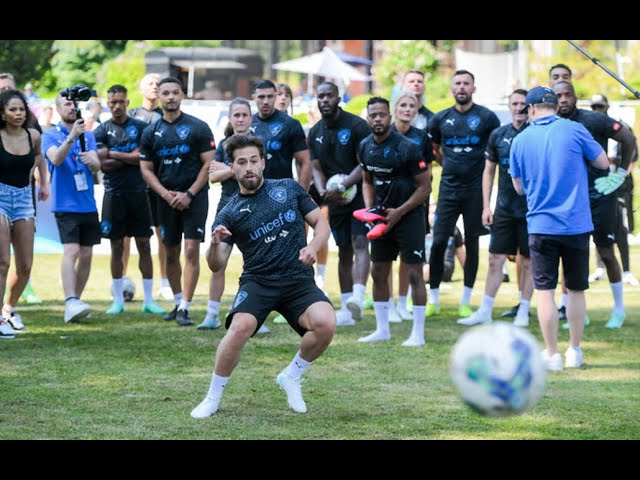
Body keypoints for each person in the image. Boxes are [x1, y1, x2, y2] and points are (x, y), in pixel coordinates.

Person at [190, 133, 335, 418]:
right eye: (241, 162)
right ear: (232, 167)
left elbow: (321, 224)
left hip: (297, 280)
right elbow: (216, 265)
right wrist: (215, 244)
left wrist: (313, 246)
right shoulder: (229, 212)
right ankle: (213, 396)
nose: (249, 167)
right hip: (259, 281)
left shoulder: (289, 188)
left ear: (263, 163)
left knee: (325, 323)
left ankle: (291, 376)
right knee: (240, 327)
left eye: (254, 161)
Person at [510, 86, 609, 371]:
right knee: (576, 290)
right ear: (556, 105)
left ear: (530, 109)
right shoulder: (575, 129)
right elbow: (602, 162)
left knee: (545, 291)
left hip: (541, 225)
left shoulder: (520, 139)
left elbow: (518, 188)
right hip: (576, 223)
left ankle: (552, 354)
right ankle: (574, 351)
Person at [553, 81, 634, 329]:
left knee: (606, 252)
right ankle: (578, 311)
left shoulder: (594, 120)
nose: (564, 99)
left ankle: (618, 310)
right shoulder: (550, 124)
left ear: (576, 97)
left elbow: (628, 138)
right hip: (569, 198)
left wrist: (619, 174)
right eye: (559, 95)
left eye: (568, 95)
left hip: (599, 195)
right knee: (571, 254)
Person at [139, 77, 216, 327]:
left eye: (174, 93)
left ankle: (186, 307)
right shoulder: (150, 132)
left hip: (194, 199)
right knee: (169, 251)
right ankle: (177, 300)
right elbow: (146, 169)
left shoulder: (198, 127)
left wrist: (190, 194)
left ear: (182, 95)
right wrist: (165, 194)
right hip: (166, 201)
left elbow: (209, 163)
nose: (170, 97)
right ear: (158, 97)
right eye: (165, 93)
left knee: (191, 250)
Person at [357, 97, 431, 346]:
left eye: (381, 114)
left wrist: (400, 211)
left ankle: (418, 334)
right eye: (373, 115)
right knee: (378, 272)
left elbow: (425, 187)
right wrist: (370, 211)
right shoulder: (365, 146)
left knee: (414, 273)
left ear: (390, 116)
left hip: (409, 217)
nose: (377, 119)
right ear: (367, 118)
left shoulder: (408, 147)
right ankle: (382, 329)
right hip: (381, 219)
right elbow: (367, 180)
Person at [427, 70, 500, 318]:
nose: (461, 87)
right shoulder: (439, 119)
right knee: (438, 241)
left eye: (466, 83)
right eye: (457, 83)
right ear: (452, 89)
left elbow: (494, 153)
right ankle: (433, 299)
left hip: (475, 189)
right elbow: (435, 150)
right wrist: (450, 163)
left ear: (473, 88)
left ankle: (466, 300)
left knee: (472, 242)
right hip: (448, 187)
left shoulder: (487, 118)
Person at [458, 89, 533, 327]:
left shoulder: (536, 135)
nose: (519, 107)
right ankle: (485, 310)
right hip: (504, 208)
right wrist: (486, 206)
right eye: (515, 103)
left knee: (529, 261)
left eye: (523, 103)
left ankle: (523, 309)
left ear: (530, 107)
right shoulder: (499, 135)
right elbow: (488, 171)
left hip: (531, 209)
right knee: (494, 259)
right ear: (509, 106)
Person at [94, 84, 165, 316]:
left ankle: (149, 299)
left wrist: (114, 154)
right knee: (116, 247)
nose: (116, 106)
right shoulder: (102, 130)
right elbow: (102, 164)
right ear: (107, 103)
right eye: (112, 102)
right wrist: (129, 157)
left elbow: (144, 159)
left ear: (127, 102)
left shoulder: (142, 128)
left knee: (144, 245)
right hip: (113, 195)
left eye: (121, 101)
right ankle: (118, 301)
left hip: (138, 193)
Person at [309, 81, 371, 326]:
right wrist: (324, 191)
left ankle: (358, 295)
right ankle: (347, 307)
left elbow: (364, 161)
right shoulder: (315, 132)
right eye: (320, 96)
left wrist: (344, 185)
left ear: (338, 98)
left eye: (329, 96)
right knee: (343, 248)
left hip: (358, 195)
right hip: (334, 199)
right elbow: (315, 167)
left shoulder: (356, 125)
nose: (325, 100)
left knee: (359, 242)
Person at [42, 90, 102, 323]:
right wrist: (71, 137)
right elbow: (55, 159)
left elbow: (96, 166)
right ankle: (70, 301)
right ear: (58, 109)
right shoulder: (51, 135)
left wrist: (94, 161)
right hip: (65, 203)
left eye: (73, 104)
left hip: (87, 202)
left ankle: (76, 300)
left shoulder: (88, 135)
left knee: (86, 254)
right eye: (66, 104)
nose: (71, 107)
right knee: (73, 250)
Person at [199, 98, 252, 330]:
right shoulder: (222, 145)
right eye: (236, 115)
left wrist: (229, 169)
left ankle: (252, 313)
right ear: (230, 118)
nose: (240, 119)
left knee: (253, 264)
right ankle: (212, 314)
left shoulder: (258, 143)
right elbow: (213, 175)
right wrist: (238, 169)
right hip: (227, 207)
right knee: (217, 260)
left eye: (244, 115)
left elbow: (255, 176)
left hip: (253, 207)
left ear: (251, 117)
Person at [0, 89, 49, 339]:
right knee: (3, 262)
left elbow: (39, 157)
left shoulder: (34, 136)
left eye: (21, 109)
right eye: (12, 110)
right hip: (0, 196)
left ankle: (9, 309)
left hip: (24, 198)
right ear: (3, 113)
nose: (18, 114)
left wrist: (44, 182)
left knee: (25, 265)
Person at [276, 82, 329, 299]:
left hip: (307, 188)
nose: (281, 98)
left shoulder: (299, 126)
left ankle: (320, 278)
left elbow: (306, 161)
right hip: (274, 193)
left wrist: (301, 190)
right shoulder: (257, 125)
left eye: (285, 94)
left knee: (315, 229)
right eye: (277, 94)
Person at [390, 91, 435, 321]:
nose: (407, 109)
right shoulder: (384, 134)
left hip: (413, 205)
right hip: (386, 205)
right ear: (395, 109)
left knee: (409, 259)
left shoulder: (421, 138)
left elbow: (426, 174)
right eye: (403, 105)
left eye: (412, 106)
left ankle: (401, 303)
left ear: (416, 111)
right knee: (383, 260)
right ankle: (387, 304)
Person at [128, 73, 172, 300]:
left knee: (162, 233)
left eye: (158, 84)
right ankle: (123, 279)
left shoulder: (166, 117)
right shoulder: (131, 115)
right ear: (140, 87)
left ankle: (165, 281)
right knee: (125, 236)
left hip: (159, 184)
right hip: (133, 185)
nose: (154, 87)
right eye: (150, 84)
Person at [589, 93, 638, 287]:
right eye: (594, 107)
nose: (598, 111)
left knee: (621, 228)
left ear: (607, 107)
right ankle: (599, 268)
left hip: (619, 184)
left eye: (601, 106)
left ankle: (626, 270)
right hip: (598, 183)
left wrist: (620, 176)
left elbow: (632, 155)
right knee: (596, 225)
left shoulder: (621, 128)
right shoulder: (590, 128)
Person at [250, 79, 311, 191]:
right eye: (261, 97)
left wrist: (301, 195)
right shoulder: (248, 123)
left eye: (270, 96)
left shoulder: (291, 124)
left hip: (282, 193)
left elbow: (306, 161)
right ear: (254, 97)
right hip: (252, 193)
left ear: (274, 97)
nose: (265, 101)